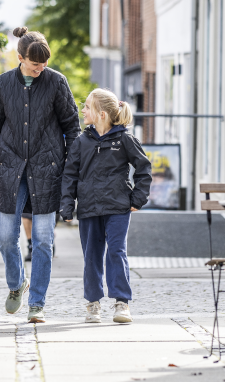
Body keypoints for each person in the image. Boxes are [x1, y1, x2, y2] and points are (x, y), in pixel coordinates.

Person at [0, 27, 81, 323]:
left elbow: (72, 128)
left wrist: (70, 170)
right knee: (4, 236)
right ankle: (17, 285)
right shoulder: (2, 84)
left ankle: (37, 302)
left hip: (47, 170)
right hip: (12, 171)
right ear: (20, 57)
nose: (40, 69)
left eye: (44, 64)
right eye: (34, 64)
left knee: (42, 239)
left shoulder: (56, 83)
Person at [60, 88, 152, 324]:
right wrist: (67, 206)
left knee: (116, 252)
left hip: (118, 208)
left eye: (87, 107)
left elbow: (144, 169)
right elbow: (69, 175)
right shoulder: (81, 142)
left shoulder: (125, 140)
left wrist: (137, 199)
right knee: (91, 256)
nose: (83, 110)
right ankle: (93, 304)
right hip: (89, 209)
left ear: (101, 114)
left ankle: (122, 302)